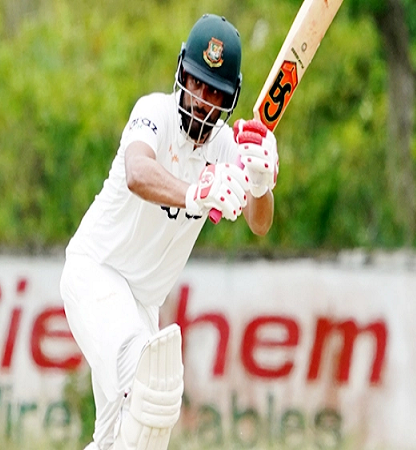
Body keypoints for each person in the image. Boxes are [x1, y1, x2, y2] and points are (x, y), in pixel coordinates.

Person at [60, 13, 279, 450]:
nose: (201, 100)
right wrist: (196, 193)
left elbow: (260, 223)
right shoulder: (153, 113)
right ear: (182, 74)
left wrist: (260, 183)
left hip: (142, 304)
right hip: (96, 273)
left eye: (213, 91)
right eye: (196, 83)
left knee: (126, 439)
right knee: (151, 389)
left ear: (229, 97)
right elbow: (137, 171)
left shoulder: (226, 147)